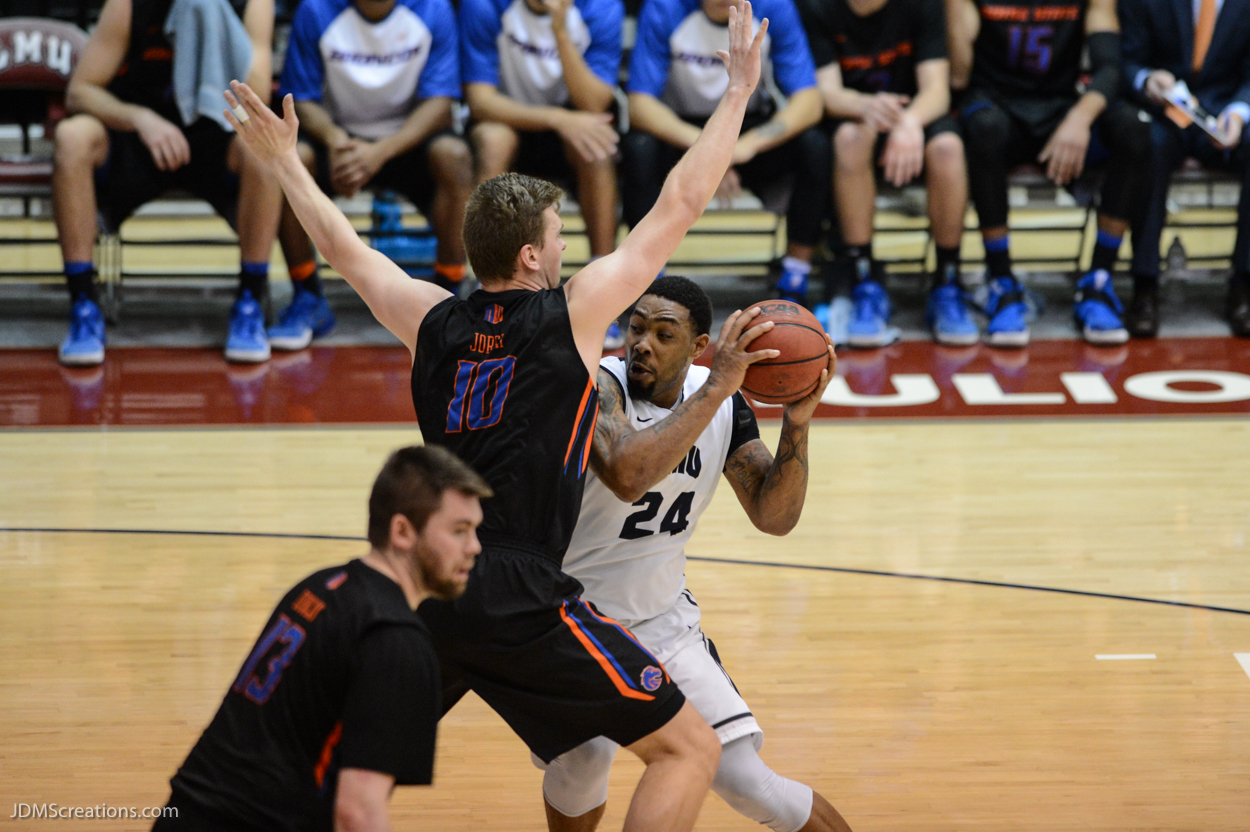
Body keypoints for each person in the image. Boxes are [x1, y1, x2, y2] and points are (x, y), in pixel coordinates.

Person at [224, 2, 768, 828]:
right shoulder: (572, 315)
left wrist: (284, 165)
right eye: (558, 236)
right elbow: (681, 201)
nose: (567, 248)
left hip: (432, 584)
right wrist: (735, 94)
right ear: (530, 255)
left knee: (351, 771)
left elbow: (344, 251)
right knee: (688, 749)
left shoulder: (430, 319)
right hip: (518, 587)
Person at [531, 276, 850, 832]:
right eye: (636, 328)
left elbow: (774, 518)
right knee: (583, 762)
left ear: (699, 346)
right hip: (573, 622)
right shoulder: (594, 387)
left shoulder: (722, 402)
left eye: (663, 334)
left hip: (663, 623)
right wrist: (718, 389)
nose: (642, 344)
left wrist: (796, 424)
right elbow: (628, 475)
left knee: (749, 782)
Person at [152, 444, 491, 832]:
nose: (475, 547)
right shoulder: (395, 641)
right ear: (402, 531)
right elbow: (358, 812)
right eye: (459, 531)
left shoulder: (320, 587)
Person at [53, 0, 282, 367]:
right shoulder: (129, 4)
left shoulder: (253, 4)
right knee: (71, 137)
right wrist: (140, 119)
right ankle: (83, 305)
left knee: (262, 148)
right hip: (141, 140)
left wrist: (211, 17)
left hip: (214, 137)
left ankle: (249, 302)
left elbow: (258, 101)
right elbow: (79, 92)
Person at [271, 0, 473, 352]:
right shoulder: (316, 10)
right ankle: (307, 296)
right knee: (293, 161)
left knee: (454, 157)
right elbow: (300, 98)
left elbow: (441, 102)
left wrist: (380, 151)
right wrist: (336, 140)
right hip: (338, 141)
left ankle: (448, 295)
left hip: (406, 140)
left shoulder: (432, 9)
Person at [949, 0, 1151, 346]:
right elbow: (958, 76)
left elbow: (1110, 68)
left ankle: (1098, 281)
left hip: (1061, 107)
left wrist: (1080, 118)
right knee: (985, 128)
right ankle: (1000, 280)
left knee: (1132, 129)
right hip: (996, 106)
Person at [624, 0, 827, 305]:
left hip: (748, 134)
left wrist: (741, 147)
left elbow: (810, 102)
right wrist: (711, 148)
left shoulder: (774, 8)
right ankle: (647, 280)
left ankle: (795, 277)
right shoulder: (665, 8)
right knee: (639, 148)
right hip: (683, 133)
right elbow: (639, 105)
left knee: (815, 145)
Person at [796, 0, 973, 348]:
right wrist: (865, 106)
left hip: (915, 114)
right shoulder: (817, 7)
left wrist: (909, 123)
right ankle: (865, 281)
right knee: (849, 139)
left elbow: (937, 89)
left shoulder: (922, 5)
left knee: (948, 148)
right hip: (857, 112)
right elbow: (825, 93)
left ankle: (947, 283)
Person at [1119, 0, 1250, 337]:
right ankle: (1145, 285)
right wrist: (1146, 79)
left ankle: (1244, 286)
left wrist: (1239, 112)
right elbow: (1127, 61)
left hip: (1225, 110)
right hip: (1166, 111)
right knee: (1148, 145)